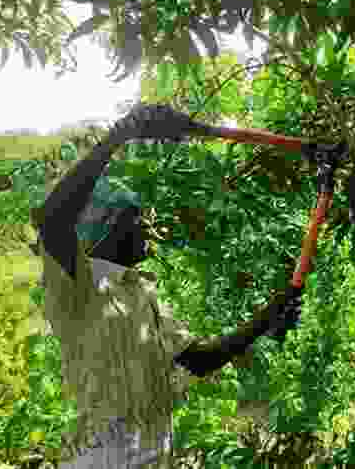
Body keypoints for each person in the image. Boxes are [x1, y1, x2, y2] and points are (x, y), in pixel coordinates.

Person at [30, 105, 297, 468]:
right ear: (110, 228)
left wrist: (269, 315)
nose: (148, 229)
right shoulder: (79, 284)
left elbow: (199, 359)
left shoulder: (141, 293)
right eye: (137, 219)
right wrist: (116, 138)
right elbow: (52, 218)